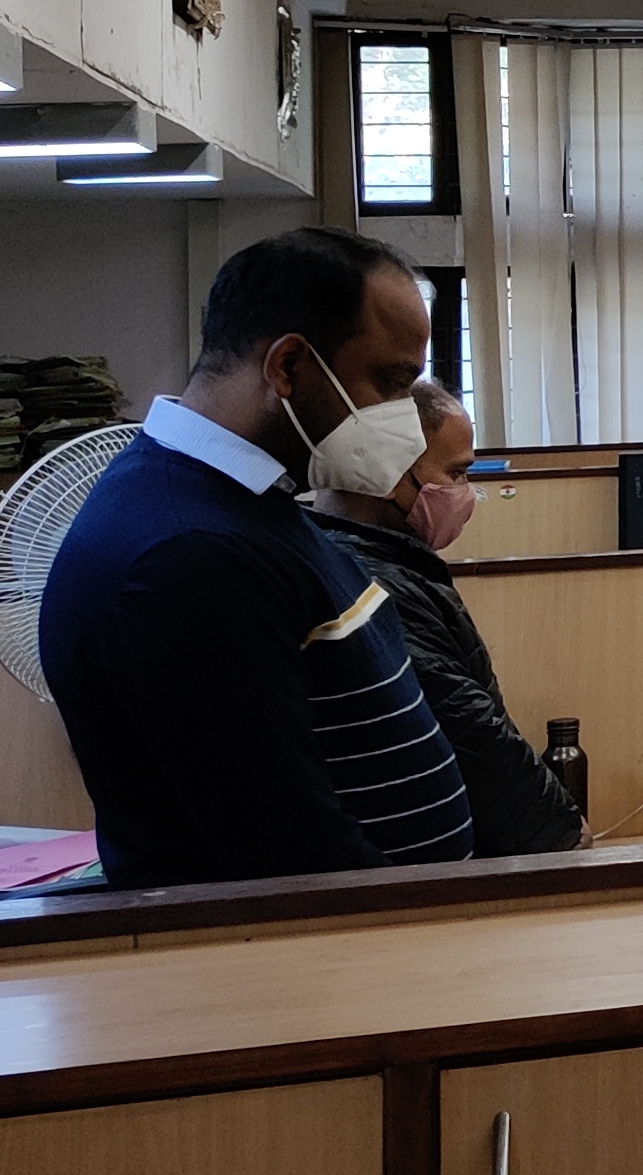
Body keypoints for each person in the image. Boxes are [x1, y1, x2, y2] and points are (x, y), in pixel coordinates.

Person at [40, 226, 474, 887]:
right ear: (288, 367)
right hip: (310, 941)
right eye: (390, 384)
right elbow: (286, 854)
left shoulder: (245, 502)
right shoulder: (186, 556)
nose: (404, 421)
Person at [307, 382, 584, 856]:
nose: (465, 493)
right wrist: (561, 832)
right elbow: (468, 727)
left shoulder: (359, 557)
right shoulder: (372, 580)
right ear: (390, 474)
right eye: (456, 473)